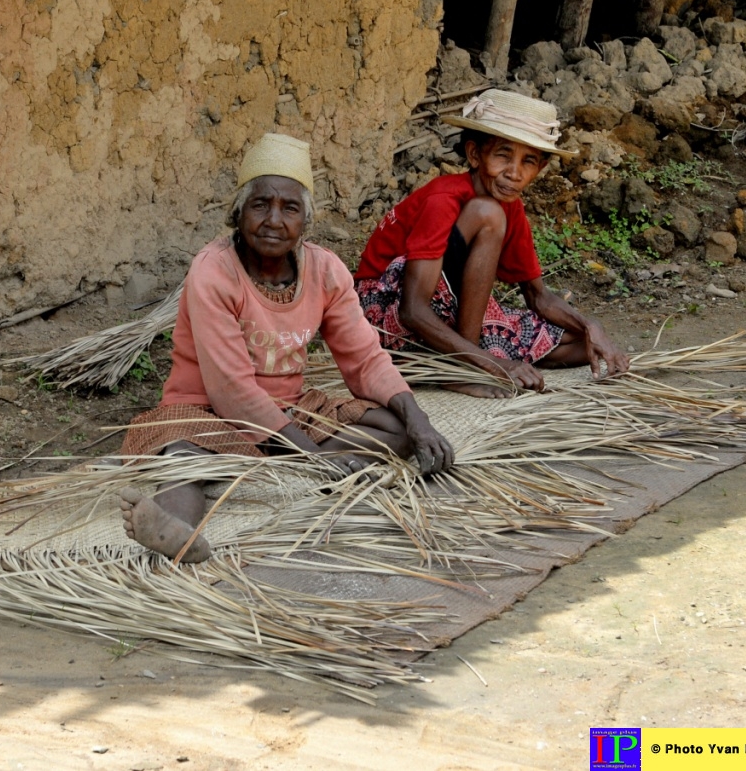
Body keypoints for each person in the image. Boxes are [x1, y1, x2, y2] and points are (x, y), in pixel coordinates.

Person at [117, 132, 453, 564]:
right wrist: (315, 459)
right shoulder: (214, 272)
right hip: (207, 412)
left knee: (397, 430)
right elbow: (232, 392)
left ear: (305, 221)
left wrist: (419, 419)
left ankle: (265, 467)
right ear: (238, 214)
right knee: (184, 455)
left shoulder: (325, 271)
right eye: (260, 205)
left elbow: (365, 358)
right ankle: (177, 533)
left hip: (293, 413)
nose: (274, 220)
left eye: (289, 208)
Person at [354, 88, 629, 398]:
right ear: (475, 154)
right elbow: (413, 310)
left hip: (445, 313)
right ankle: (462, 367)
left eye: (529, 161)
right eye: (502, 155)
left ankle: (463, 356)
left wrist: (591, 326)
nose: (514, 173)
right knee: (487, 213)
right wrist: (491, 364)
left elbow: (537, 297)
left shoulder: (511, 206)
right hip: (381, 317)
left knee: (578, 345)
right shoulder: (445, 199)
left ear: (540, 169)